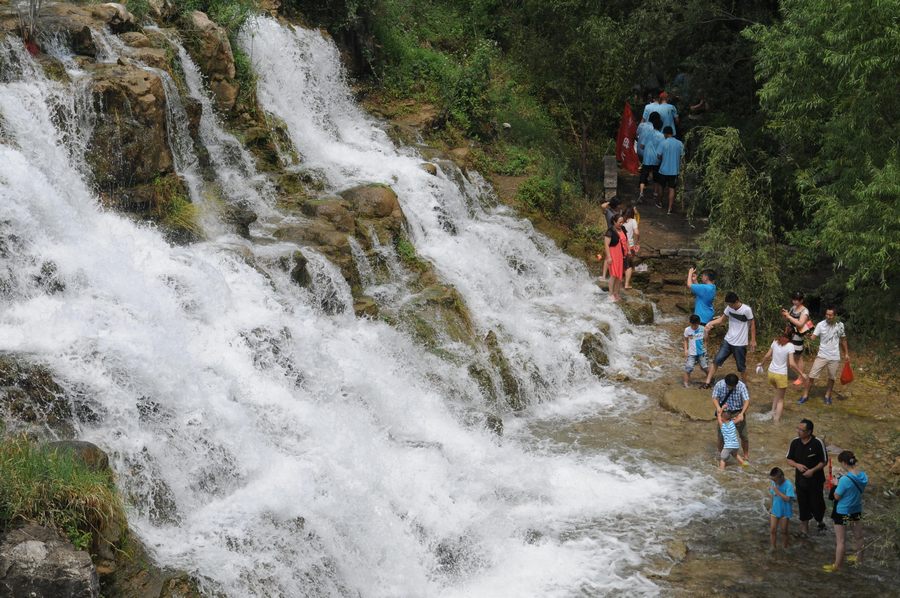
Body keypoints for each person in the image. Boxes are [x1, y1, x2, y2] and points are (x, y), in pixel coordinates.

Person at [824, 450, 867, 572]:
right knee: (859, 536)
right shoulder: (863, 475)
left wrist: (836, 484)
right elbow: (854, 486)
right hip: (856, 509)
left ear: (844, 463)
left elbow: (837, 496)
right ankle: (859, 560)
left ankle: (837, 566)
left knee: (841, 541)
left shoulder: (844, 480)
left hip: (842, 511)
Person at [703, 292, 756, 387]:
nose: (729, 306)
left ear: (737, 301)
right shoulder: (729, 308)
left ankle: (745, 385)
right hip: (728, 340)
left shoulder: (746, 310)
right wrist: (710, 323)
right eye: (728, 305)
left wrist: (753, 340)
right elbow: (721, 320)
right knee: (716, 360)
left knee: (741, 367)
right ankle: (707, 383)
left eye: (731, 304)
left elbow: (752, 324)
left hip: (740, 343)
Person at [785, 418, 828, 537]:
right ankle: (804, 530)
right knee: (802, 504)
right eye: (797, 428)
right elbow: (789, 459)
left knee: (817, 504)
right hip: (800, 480)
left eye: (801, 430)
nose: (798, 431)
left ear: (809, 432)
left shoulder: (817, 442)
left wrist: (813, 471)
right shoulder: (795, 442)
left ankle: (820, 522)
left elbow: (824, 461)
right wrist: (796, 465)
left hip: (816, 480)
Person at [799, 306, 849, 405]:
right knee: (811, 376)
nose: (828, 316)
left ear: (835, 315)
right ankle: (805, 395)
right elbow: (813, 338)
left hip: (834, 356)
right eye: (827, 314)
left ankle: (827, 395)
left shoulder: (840, 325)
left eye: (830, 315)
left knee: (832, 377)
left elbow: (843, 339)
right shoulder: (820, 325)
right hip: (822, 355)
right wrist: (806, 331)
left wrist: (846, 353)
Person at [757, 327, 807, 423]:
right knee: (781, 400)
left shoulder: (775, 341)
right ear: (792, 335)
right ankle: (776, 421)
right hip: (780, 375)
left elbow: (767, 355)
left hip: (771, 373)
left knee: (778, 393)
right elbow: (792, 364)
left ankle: (772, 411)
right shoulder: (790, 346)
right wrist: (802, 374)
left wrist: (761, 364)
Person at [711, 373, 750, 460]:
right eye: (729, 386)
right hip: (725, 413)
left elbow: (746, 400)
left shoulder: (741, 386)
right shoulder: (720, 385)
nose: (731, 388)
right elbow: (714, 397)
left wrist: (742, 413)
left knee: (744, 436)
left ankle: (746, 455)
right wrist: (718, 408)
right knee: (721, 436)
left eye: (733, 386)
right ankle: (721, 456)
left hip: (738, 412)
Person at [782, 291, 811, 386]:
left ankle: (801, 377)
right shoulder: (793, 308)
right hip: (789, 334)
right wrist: (785, 315)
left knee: (798, 357)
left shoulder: (805, 311)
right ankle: (785, 372)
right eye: (793, 299)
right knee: (787, 353)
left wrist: (789, 317)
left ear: (801, 300)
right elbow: (788, 320)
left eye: (797, 300)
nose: (794, 302)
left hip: (798, 336)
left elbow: (800, 324)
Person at [656, 126, 684, 215]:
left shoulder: (663, 143)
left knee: (661, 187)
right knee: (672, 189)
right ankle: (669, 209)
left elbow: (658, 156)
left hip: (663, 170)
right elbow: (682, 156)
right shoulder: (680, 143)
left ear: (666, 133)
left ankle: (660, 203)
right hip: (674, 171)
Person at [638, 113, 664, 203]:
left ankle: (641, 193)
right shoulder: (662, 136)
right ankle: (655, 194)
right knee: (656, 178)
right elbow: (663, 149)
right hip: (656, 160)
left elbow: (641, 146)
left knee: (643, 177)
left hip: (647, 159)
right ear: (661, 126)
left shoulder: (648, 134)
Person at [769, 467, 796, 551]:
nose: (774, 482)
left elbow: (788, 499)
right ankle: (773, 547)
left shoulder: (788, 485)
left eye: (775, 480)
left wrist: (777, 491)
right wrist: (771, 506)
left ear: (781, 477)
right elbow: (773, 495)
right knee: (773, 530)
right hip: (775, 509)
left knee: (784, 531)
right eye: (773, 480)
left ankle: (785, 547)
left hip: (785, 511)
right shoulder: (774, 482)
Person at [603, 214, 627, 302]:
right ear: (614, 222)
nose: (621, 224)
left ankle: (616, 293)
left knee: (619, 276)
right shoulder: (610, 231)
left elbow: (625, 241)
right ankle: (610, 294)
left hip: (621, 255)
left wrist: (627, 252)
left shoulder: (623, 229)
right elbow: (606, 245)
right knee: (613, 275)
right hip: (613, 254)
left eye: (622, 222)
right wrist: (609, 257)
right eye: (619, 222)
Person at [683, 314, 708, 388]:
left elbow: (706, 339)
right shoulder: (687, 330)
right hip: (691, 353)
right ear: (690, 323)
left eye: (696, 325)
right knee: (689, 367)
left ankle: (709, 378)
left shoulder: (702, 329)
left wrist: (705, 346)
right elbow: (685, 340)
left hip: (702, 352)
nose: (694, 327)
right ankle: (686, 383)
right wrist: (686, 350)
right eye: (692, 325)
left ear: (699, 323)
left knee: (704, 367)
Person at [622, 207, 640, 289]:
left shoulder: (620, 220)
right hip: (630, 244)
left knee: (622, 262)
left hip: (620, 243)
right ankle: (626, 284)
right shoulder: (633, 221)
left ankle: (620, 280)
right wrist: (637, 242)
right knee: (628, 264)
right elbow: (636, 233)